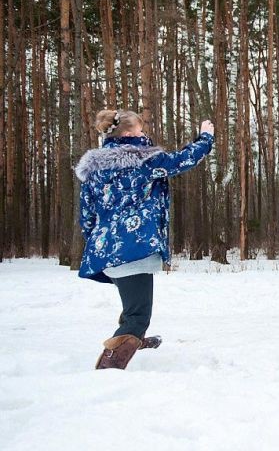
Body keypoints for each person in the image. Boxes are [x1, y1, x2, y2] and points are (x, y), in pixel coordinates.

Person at [75, 109, 215, 368]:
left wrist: (96, 243)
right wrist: (205, 138)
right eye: (140, 130)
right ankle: (111, 364)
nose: (144, 134)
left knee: (132, 304)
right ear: (128, 134)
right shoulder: (143, 160)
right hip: (134, 247)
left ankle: (134, 338)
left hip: (106, 248)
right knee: (138, 314)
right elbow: (183, 160)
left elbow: (86, 214)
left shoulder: (94, 167)